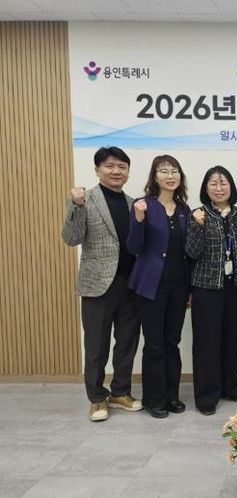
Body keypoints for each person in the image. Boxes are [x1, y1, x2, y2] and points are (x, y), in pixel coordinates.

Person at [61, 146, 142, 422]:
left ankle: (120, 392)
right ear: (98, 170)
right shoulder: (85, 199)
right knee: (96, 346)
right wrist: (75, 206)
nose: (116, 171)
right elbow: (71, 238)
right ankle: (97, 398)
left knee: (127, 343)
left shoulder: (134, 204)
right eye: (110, 166)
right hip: (98, 285)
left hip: (130, 285)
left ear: (128, 172)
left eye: (122, 166)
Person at [127, 155, 190, 419]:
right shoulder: (143, 205)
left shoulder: (185, 209)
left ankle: (172, 395)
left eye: (174, 171)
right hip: (150, 286)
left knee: (172, 342)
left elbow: (188, 251)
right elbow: (134, 247)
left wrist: (189, 290)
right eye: (163, 171)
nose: (170, 175)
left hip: (178, 287)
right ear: (154, 177)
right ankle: (154, 399)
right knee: (154, 344)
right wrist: (139, 219)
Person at [186, 166, 237, 416]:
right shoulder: (198, 214)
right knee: (207, 343)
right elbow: (191, 252)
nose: (218, 188)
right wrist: (197, 226)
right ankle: (206, 396)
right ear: (206, 188)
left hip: (233, 287)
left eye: (223, 183)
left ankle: (230, 386)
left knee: (229, 338)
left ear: (231, 187)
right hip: (206, 288)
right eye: (213, 183)